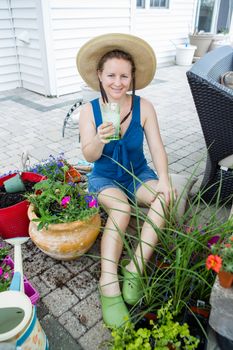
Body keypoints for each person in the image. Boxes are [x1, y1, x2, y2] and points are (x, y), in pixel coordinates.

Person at [76, 33, 175, 328]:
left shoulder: (144, 107)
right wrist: (98, 138)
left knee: (164, 198)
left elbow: (157, 147)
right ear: (99, 75)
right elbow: (90, 156)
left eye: (124, 76)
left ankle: (134, 268)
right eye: (111, 75)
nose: (117, 82)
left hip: (138, 174)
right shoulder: (88, 111)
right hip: (104, 177)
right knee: (121, 211)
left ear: (132, 78)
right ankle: (108, 284)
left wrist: (165, 180)